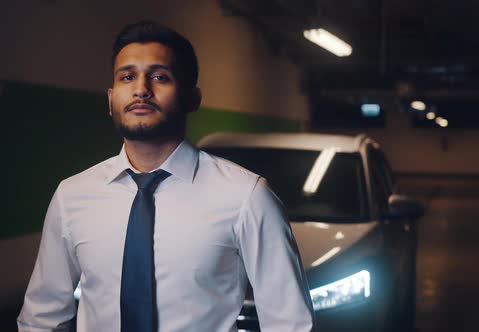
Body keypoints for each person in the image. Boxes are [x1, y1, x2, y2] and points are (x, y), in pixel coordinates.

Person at [17, 21, 315, 332]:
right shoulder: (72, 196)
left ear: (192, 99)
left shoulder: (247, 197)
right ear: (110, 99)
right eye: (127, 77)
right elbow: (42, 317)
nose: (141, 89)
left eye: (160, 77)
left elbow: (289, 323)